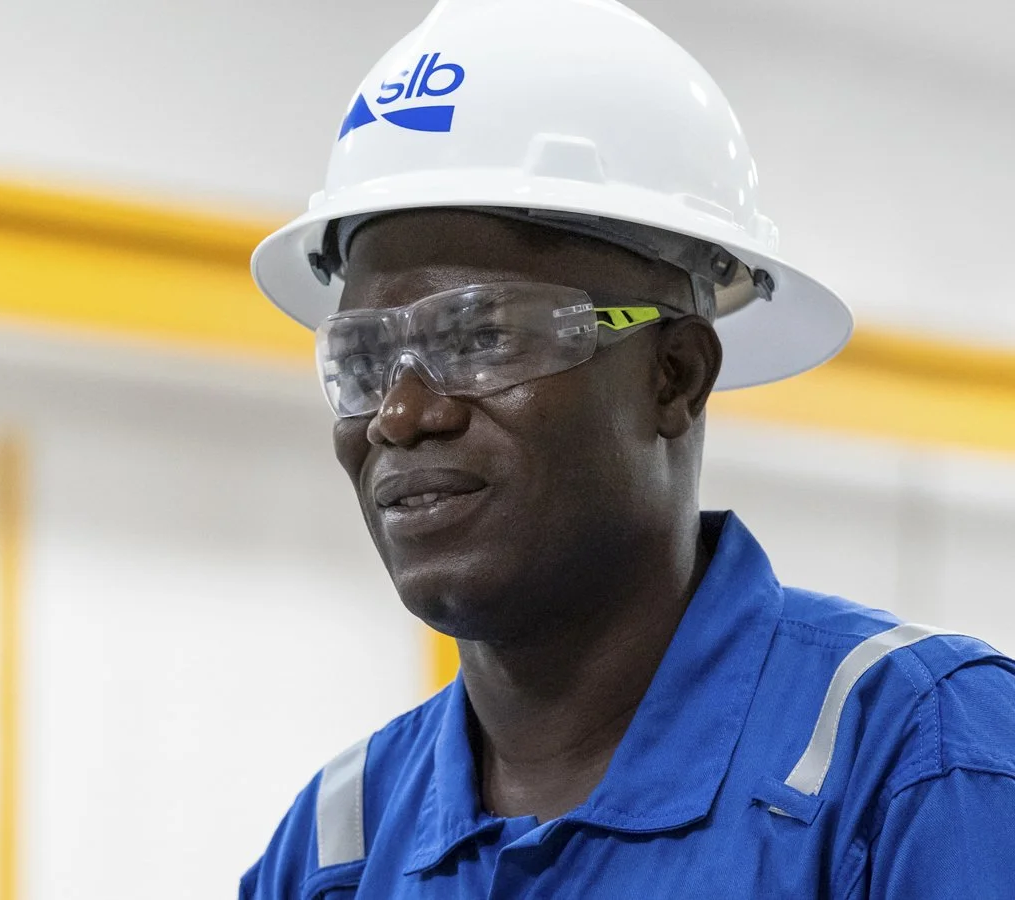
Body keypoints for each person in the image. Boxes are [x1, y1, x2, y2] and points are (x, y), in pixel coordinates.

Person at [241, 1, 1015, 896]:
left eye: (485, 336)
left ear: (673, 376)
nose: (403, 414)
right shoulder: (339, 847)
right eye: (366, 358)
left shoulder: (919, 761)